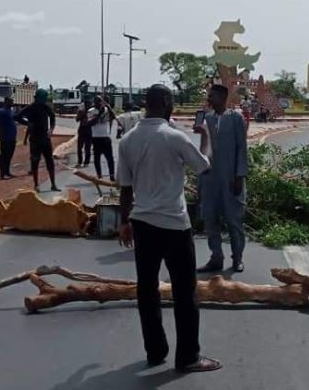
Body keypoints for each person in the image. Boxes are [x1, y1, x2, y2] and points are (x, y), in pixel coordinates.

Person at [117, 84, 220, 373]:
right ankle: (187, 357)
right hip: (174, 224)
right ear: (164, 102)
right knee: (185, 293)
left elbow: (125, 188)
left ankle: (155, 351)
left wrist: (125, 223)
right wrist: (206, 137)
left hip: (142, 223)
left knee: (147, 290)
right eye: (172, 101)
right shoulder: (174, 137)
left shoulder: (127, 141)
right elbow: (204, 166)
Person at [197, 84, 249, 274]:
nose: (209, 99)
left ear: (222, 97)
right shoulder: (207, 118)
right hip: (210, 178)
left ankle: (237, 258)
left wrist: (240, 176)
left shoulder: (235, 118)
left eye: (211, 96)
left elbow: (242, 148)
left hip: (230, 179)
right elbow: (203, 151)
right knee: (210, 220)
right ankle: (216, 257)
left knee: (234, 221)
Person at [15, 88, 59, 192]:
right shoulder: (31, 107)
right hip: (35, 138)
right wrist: (27, 123)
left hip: (45, 138)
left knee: (50, 162)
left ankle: (53, 184)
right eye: (43, 98)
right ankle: (36, 185)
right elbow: (17, 117)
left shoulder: (46, 107)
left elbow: (52, 117)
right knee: (35, 162)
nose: (44, 100)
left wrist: (51, 130)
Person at [88, 96, 115, 180]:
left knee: (110, 158)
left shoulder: (106, 110)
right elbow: (90, 123)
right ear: (94, 103)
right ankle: (99, 175)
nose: (99, 103)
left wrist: (109, 107)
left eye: (100, 102)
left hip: (105, 137)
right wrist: (99, 114)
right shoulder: (91, 111)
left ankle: (112, 175)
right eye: (97, 102)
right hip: (96, 137)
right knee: (97, 158)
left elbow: (113, 117)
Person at [0, 96, 17, 179]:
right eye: (11, 101)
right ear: (6, 102)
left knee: (9, 155)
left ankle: (7, 171)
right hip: (5, 138)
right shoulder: (1, 112)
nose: (12, 103)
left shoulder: (11, 111)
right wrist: (1, 137)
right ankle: (2, 173)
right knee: (4, 155)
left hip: (12, 138)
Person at [75, 103, 93, 168]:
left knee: (87, 148)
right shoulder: (81, 110)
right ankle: (80, 161)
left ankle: (86, 162)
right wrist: (81, 114)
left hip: (88, 130)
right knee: (80, 147)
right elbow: (77, 119)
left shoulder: (92, 111)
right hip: (82, 130)